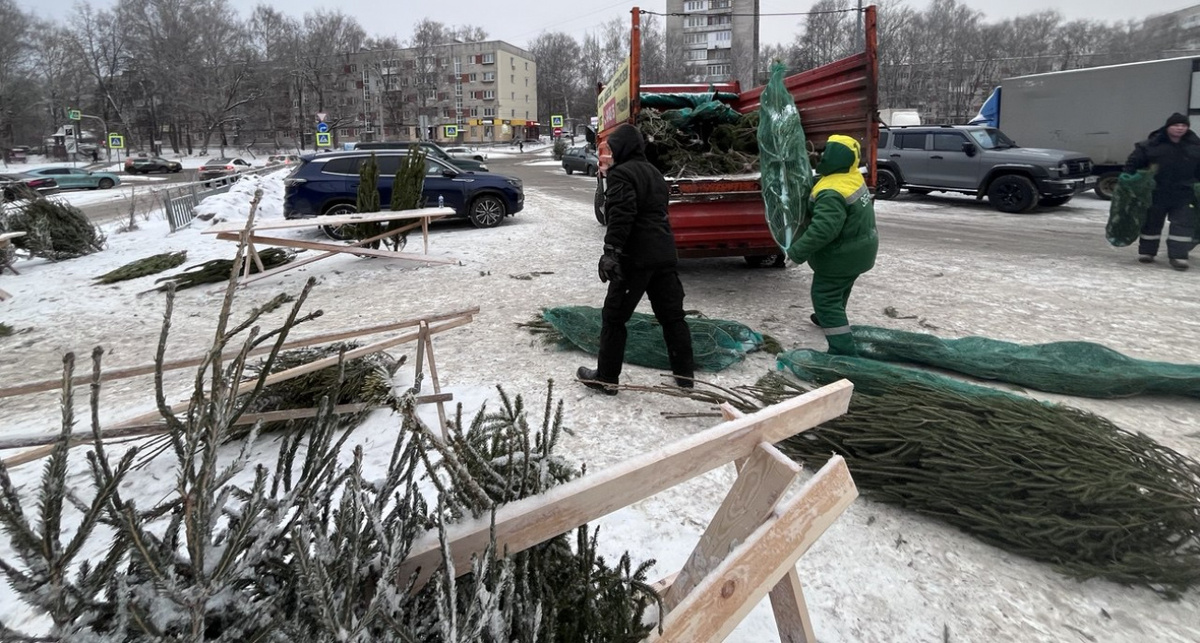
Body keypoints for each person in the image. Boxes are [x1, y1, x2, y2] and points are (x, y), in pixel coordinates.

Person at [577, 123, 694, 394]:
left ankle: (605, 379)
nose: (613, 153)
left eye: (614, 148)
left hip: (636, 259)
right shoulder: (655, 173)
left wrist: (610, 252)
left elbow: (621, 215)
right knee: (673, 317)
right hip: (664, 256)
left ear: (624, 149)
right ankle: (686, 377)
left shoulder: (621, 174)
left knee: (614, 318)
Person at [790, 134, 878, 356]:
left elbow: (823, 230)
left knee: (825, 296)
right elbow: (826, 181)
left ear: (835, 157)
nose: (822, 155)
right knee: (841, 287)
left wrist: (797, 251)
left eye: (826, 151)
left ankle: (842, 350)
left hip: (841, 256)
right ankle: (826, 318)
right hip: (861, 251)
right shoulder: (851, 177)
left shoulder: (830, 193)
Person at [1123, 112, 1200, 271]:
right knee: (1151, 223)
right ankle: (1147, 252)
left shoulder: (1195, 147)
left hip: (1184, 193)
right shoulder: (1151, 145)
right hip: (1155, 192)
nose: (1180, 128)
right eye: (1176, 125)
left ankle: (1178, 257)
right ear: (1168, 127)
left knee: (1183, 226)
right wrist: (1129, 178)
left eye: (1183, 125)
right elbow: (1133, 164)